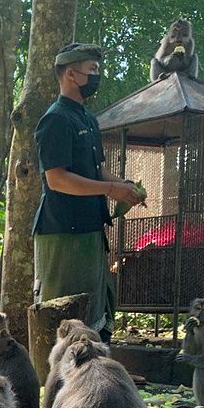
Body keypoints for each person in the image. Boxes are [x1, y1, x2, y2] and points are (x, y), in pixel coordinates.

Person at [32, 43, 144, 343]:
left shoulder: (88, 119)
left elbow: (98, 172)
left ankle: (95, 381)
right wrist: (110, 188)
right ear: (71, 74)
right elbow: (57, 179)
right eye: (92, 70)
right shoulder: (55, 119)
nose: (97, 76)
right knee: (65, 317)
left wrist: (124, 187)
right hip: (62, 233)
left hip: (92, 230)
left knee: (97, 309)